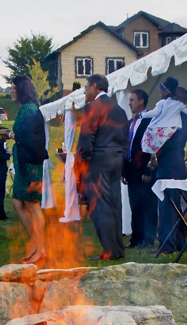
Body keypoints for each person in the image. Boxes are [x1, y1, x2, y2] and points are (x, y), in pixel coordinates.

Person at [75, 73, 129, 260]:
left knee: (100, 206)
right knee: (115, 205)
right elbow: (125, 137)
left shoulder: (92, 107)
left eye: (86, 87)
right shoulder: (119, 109)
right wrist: (121, 157)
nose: (84, 90)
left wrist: (87, 158)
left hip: (98, 160)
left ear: (95, 86)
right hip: (116, 160)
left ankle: (109, 251)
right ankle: (118, 249)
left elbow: (86, 136)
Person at [9, 76, 48, 263]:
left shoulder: (29, 109)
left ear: (22, 89)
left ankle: (40, 249)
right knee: (18, 202)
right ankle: (36, 243)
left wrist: (9, 135)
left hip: (30, 165)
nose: (11, 91)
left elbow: (28, 137)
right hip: (24, 164)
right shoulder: (26, 109)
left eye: (13, 87)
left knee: (32, 204)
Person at [153, 86, 187, 254]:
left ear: (181, 100)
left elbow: (176, 142)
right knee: (169, 205)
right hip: (167, 165)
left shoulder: (183, 117)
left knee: (170, 207)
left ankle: (168, 245)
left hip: (173, 166)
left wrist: (159, 147)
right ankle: (175, 242)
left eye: (175, 97)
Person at [122, 88, 154, 249]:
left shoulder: (150, 120)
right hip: (131, 169)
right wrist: (123, 169)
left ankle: (147, 240)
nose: (129, 103)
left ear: (141, 101)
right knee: (134, 205)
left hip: (143, 168)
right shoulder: (130, 123)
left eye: (132, 100)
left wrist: (148, 169)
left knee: (146, 204)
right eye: (129, 100)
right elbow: (126, 147)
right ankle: (136, 238)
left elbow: (152, 147)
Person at [140, 76, 187, 154]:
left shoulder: (184, 118)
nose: (175, 98)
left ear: (185, 100)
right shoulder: (165, 108)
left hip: (171, 161)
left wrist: (159, 145)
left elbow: (178, 142)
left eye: (178, 96)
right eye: (174, 96)